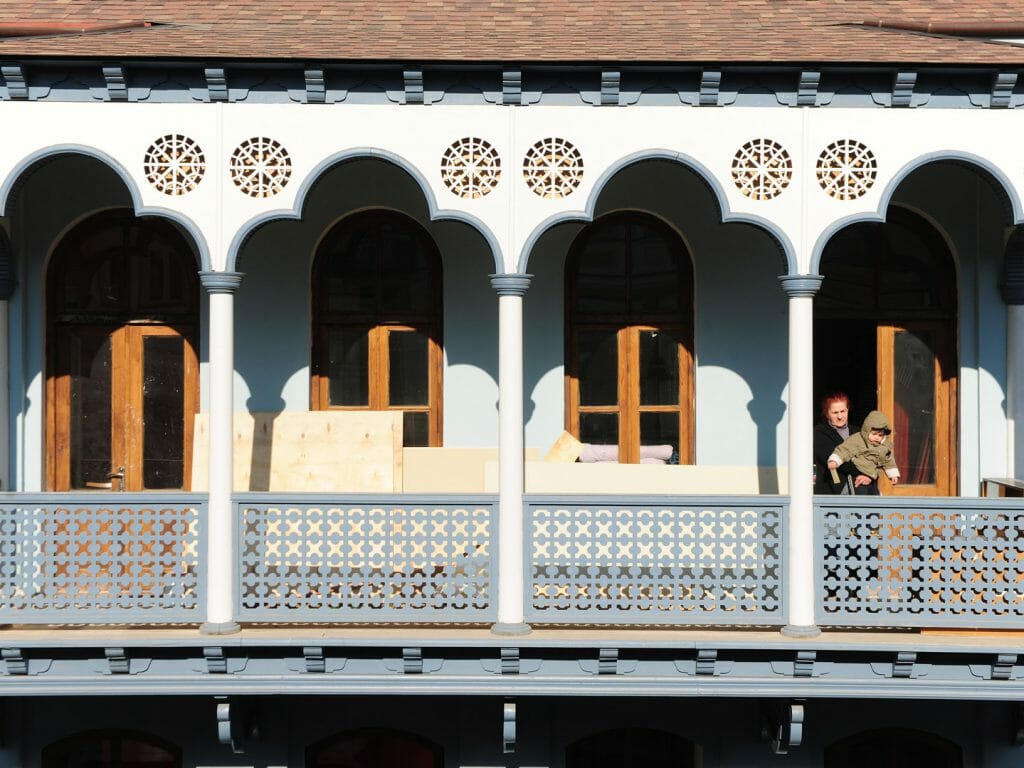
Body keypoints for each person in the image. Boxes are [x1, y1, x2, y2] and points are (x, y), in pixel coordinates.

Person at [827, 410, 900, 495]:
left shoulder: (883, 446)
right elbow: (845, 450)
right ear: (867, 430)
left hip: (872, 476)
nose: (877, 437)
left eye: (880, 435)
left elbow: (888, 460)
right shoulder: (858, 440)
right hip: (857, 475)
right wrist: (834, 460)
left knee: (874, 496)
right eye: (874, 434)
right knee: (860, 496)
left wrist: (893, 474)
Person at [813, 392, 873, 494]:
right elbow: (834, 459)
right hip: (832, 492)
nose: (840, 416)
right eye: (835, 413)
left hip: (861, 489)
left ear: (848, 410)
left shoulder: (858, 432)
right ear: (827, 414)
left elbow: (873, 456)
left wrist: (869, 475)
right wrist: (866, 469)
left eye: (843, 411)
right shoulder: (820, 433)